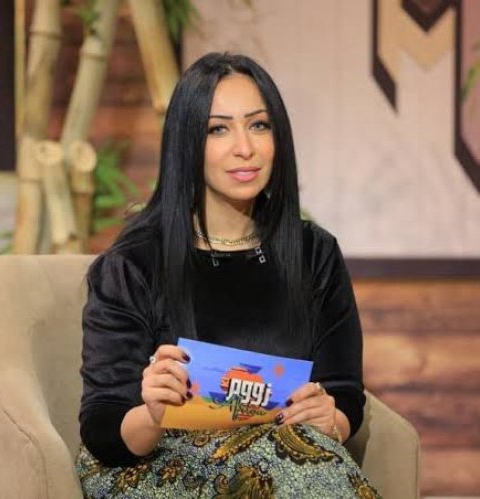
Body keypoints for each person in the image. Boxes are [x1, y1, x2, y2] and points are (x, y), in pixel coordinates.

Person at [76, 52, 380, 498]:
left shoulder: (314, 253)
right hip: (153, 466)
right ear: (186, 143)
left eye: (259, 125)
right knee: (287, 468)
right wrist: (154, 412)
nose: (245, 147)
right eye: (218, 129)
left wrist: (330, 418)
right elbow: (102, 426)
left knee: (293, 465)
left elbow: (343, 390)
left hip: (292, 462)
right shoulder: (132, 264)